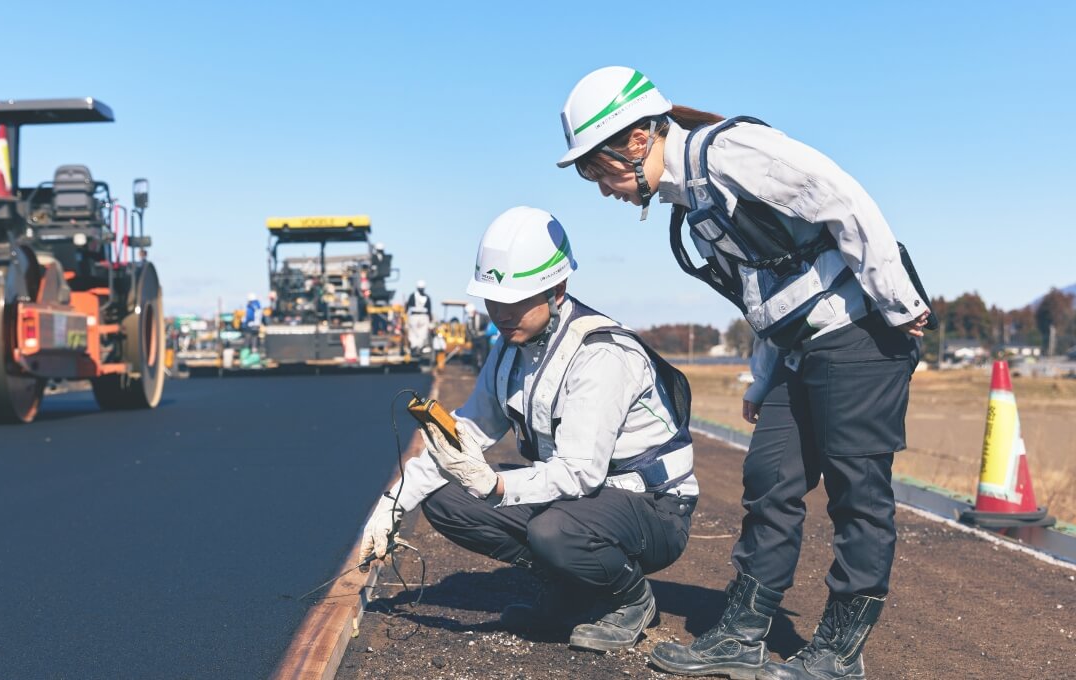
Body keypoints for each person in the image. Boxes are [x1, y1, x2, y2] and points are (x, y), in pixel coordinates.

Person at [555, 67, 931, 679]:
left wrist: (899, 300)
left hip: (860, 334)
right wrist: (763, 376)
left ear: (639, 139)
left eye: (600, 170)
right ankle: (742, 634)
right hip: (799, 351)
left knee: (857, 494)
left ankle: (839, 654)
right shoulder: (693, 202)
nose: (602, 189)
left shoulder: (729, 152)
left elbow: (842, 196)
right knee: (769, 478)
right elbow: (767, 295)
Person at [359, 207, 697, 652]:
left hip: (652, 507)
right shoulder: (508, 350)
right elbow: (465, 433)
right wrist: (394, 503)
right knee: (444, 498)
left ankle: (629, 598)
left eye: (516, 301)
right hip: (584, 501)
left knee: (553, 531)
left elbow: (579, 472)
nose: (501, 313)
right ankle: (572, 587)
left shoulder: (599, 355)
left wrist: (496, 485)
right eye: (492, 300)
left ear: (557, 290)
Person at [405, 280, 433, 355]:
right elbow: (429, 310)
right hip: (422, 317)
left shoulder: (412, 296)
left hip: (415, 317)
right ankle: (417, 347)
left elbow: (407, 306)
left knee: (416, 333)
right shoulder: (427, 297)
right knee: (419, 333)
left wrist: (405, 313)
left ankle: (416, 347)